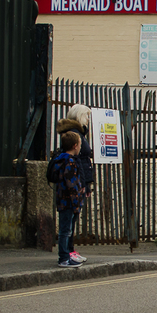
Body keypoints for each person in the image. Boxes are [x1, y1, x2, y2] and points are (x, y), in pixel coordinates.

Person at [56, 105, 96, 264]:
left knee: (71, 222)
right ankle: (65, 255)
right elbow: (79, 162)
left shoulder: (78, 133)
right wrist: (84, 184)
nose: (87, 119)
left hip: (79, 184)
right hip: (74, 187)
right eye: (86, 116)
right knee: (68, 224)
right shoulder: (74, 135)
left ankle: (70, 252)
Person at [51, 131, 86, 268]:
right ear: (75, 146)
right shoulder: (70, 161)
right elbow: (71, 183)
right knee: (65, 230)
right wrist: (77, 198)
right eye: (80, 145)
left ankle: (65, 256)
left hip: (62, 199)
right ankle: (64, 258)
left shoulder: (60, 159)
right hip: (69, 201)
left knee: (66, 229)